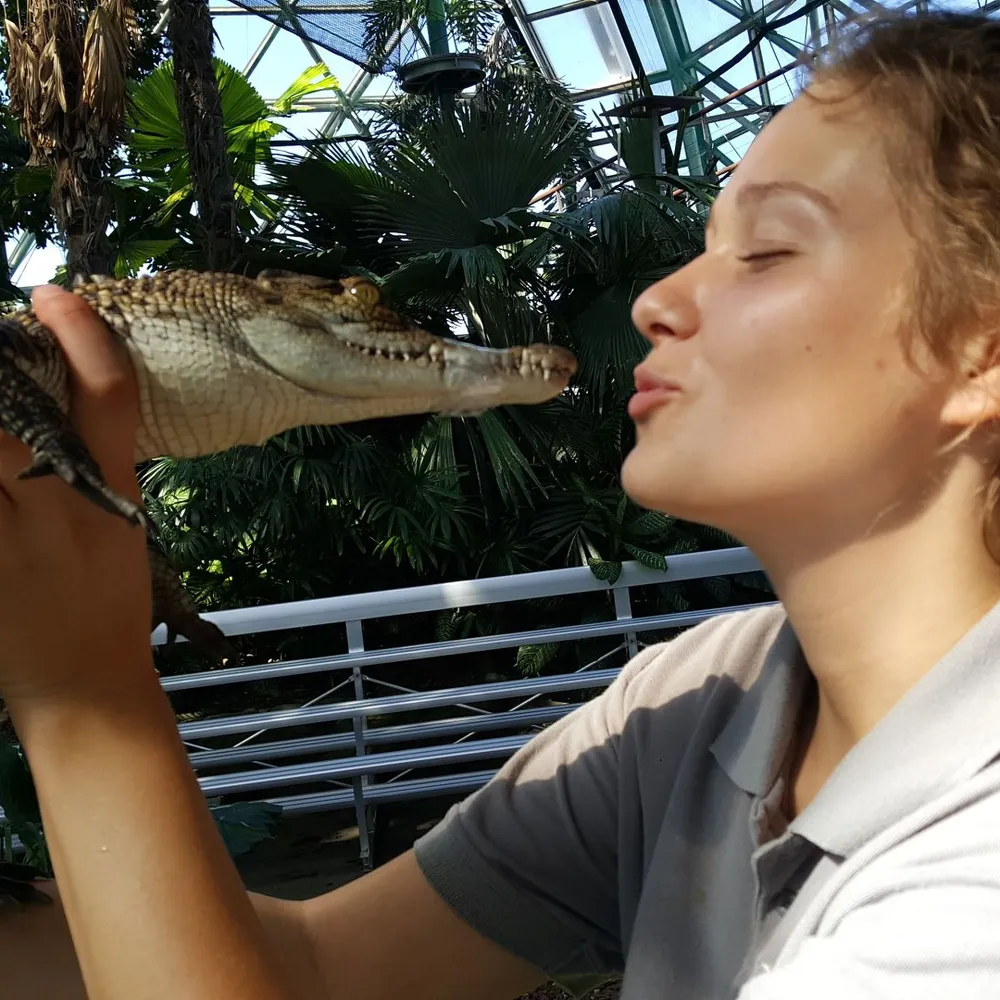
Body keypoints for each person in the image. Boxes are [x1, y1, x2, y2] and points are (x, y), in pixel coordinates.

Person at [3, 8, 1000, 999]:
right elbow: (310, 968)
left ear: (981, 354)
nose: (654, 300)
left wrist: (81, 695)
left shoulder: (972, 893)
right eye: (705, 240)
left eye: (770, 248)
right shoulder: (706, 700)